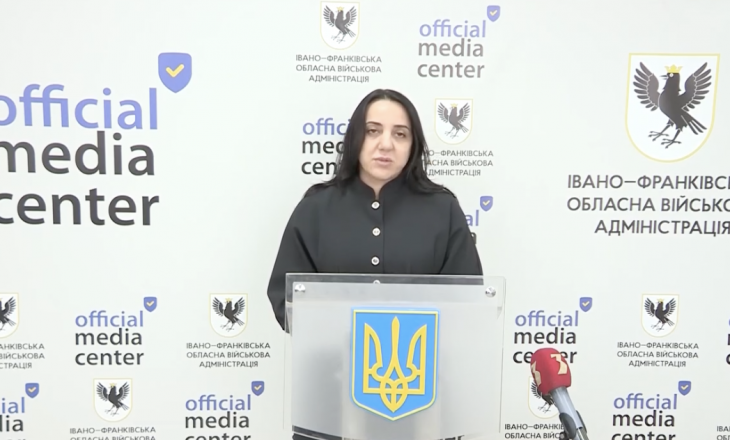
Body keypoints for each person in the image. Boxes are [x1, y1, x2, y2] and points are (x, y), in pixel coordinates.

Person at [266, 89, 482, 440]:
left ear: (413, 145)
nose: (386, 144)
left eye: (400, 134)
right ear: (355, 137)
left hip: (421, 404)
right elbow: (285, 298)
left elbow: (467, 303)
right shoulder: (315, 209)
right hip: (328, 405)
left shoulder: (443, 210)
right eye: (373, 130)